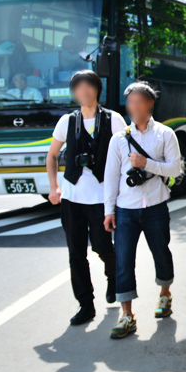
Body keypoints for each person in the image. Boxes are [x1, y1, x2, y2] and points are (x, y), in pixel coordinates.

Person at [46, 70, 127, 326]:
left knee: (103, 247)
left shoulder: (114, 120)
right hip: (72, 198)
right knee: (76, 253)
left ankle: (113, 277)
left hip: (102, 198)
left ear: (97, 89)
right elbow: (51, 156)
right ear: (74, 92)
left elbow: (125, 155)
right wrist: (54, 186)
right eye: (78, 88)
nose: (84, 91)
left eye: (88, 86)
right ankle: (85, 305)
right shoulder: (66, 121)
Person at [103, 81, 182, 339]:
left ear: (150, 103)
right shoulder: (118, 140)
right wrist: (109, 210)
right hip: (126, 209)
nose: (134, 107)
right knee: (123, 261)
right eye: (130, 103)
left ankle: (165, 294)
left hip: (156, 205)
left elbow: (174, 169)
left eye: (139, 102)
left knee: (161, 251)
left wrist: (147, 163)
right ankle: (126, 315)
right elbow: (111, 175)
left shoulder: (165, 134)